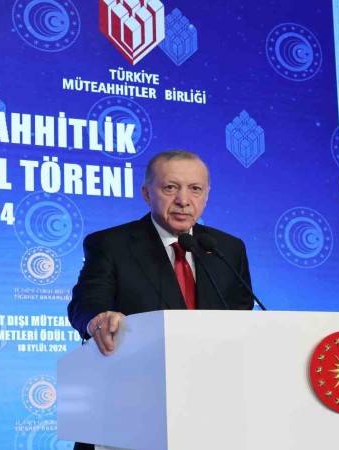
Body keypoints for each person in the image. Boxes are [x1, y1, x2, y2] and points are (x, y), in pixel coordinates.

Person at [67, 150, 254, 449]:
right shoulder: (111, 244)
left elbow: (242, 318)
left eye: (195, 189)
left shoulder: (227, 249)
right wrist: (98, 318)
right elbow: (86, 301)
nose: (183, 200)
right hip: (131, 409)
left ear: (206, 195)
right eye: (170, 187)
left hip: (210, 410)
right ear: (146, 194)